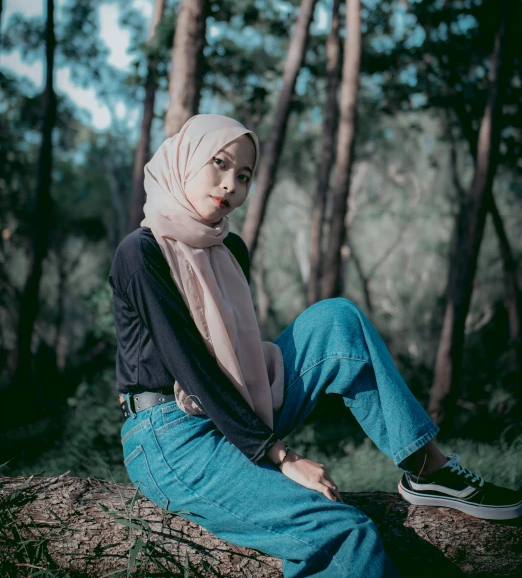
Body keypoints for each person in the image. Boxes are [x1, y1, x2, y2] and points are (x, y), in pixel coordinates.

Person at [109, 113, 522, 578]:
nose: (230, 186)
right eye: (219, 164)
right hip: (172, 438)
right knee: (344, 533)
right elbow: (194, 368)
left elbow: (234, 359)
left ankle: (430, 471)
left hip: (233, 406)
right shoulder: (140, 254)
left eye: (243, 176)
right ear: (185, 161)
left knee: (337, 320)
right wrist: (283, 456)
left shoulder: (229, 251)